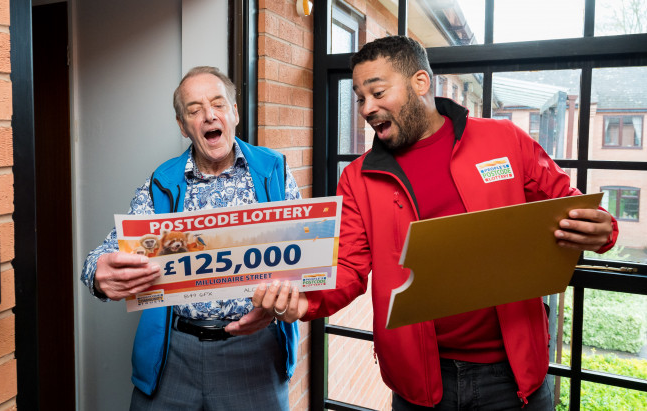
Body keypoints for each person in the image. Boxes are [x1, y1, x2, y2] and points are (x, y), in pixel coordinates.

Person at [248, 36, 619, 410]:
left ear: (420, 83)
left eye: (377, 92)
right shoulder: (358, 178)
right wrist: (303, 300)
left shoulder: (504, 140)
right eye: (361, 99)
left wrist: (603, 228)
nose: (366, 108)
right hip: (420, 384)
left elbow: (566, 201)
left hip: (514, 376)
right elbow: (348, 268)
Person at [80, 66, 300, 411]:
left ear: (235, 113)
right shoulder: (163, 182)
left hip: (254, 352)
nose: (209, 115)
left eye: (218, 104)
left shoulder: (274, 171)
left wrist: (287, 296)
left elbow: (303, 256)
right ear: (183, 127)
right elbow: (108, 251)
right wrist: (97, 272)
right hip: (173, 355)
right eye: (194, 110)